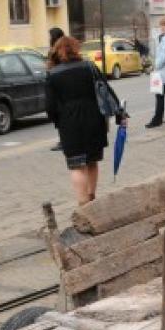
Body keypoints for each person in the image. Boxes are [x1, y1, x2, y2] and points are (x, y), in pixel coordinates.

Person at [46, 36, 113, 205]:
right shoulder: (89, 67)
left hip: (69, 122)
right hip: (94, 118)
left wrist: (58, 121)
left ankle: (83, 204)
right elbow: (105, 90)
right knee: (92, 161)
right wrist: (117, 112)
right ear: (76, 49)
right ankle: (92, 197)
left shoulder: (53, 74)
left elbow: (50, 106)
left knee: (76, 165)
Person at [48, 27, 65, 152]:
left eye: (50, 36)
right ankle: (63, 139)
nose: (48, 39)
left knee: (61, 115)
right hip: (57, 85)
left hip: (59, 86)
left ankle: (64, 140)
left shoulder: (59, 51)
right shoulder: (55, 50)